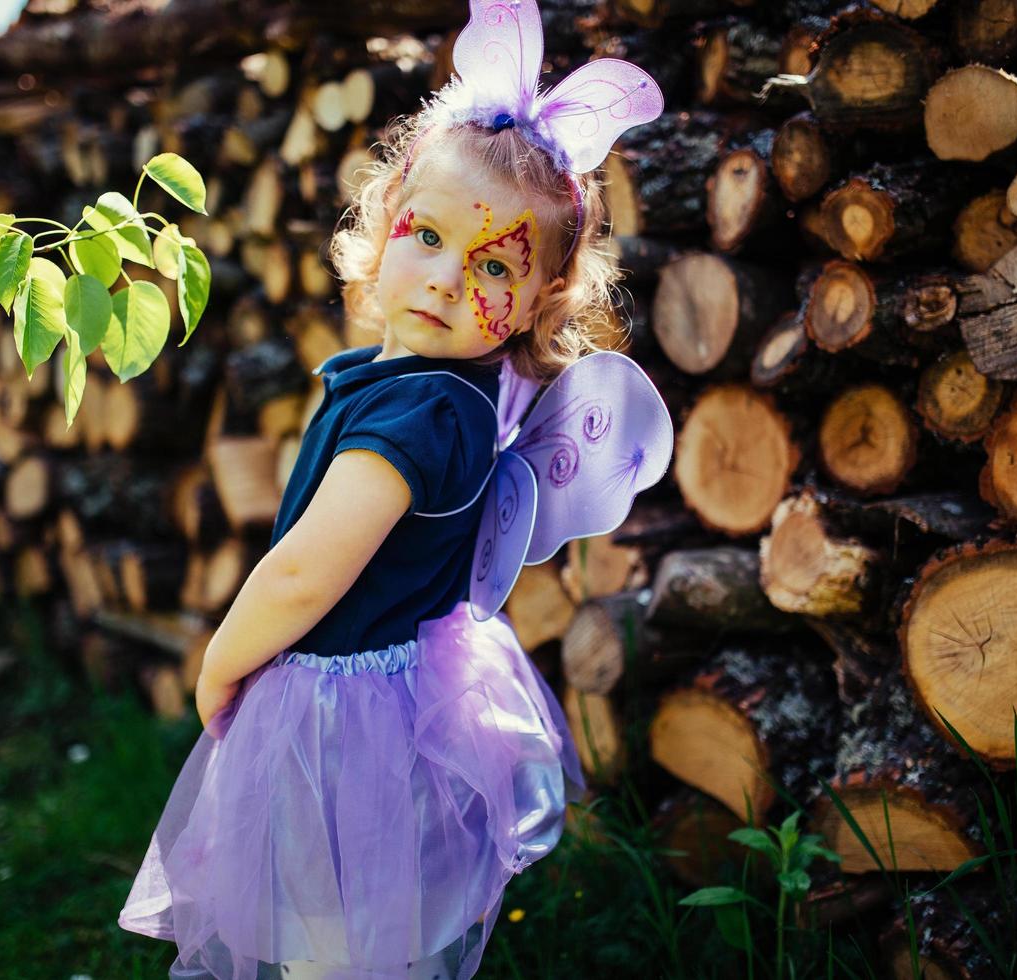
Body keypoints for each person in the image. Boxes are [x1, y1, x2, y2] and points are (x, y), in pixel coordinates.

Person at [118, 1, 667, 976]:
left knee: (330, 930)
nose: (446, 279)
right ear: (386, 221)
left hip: (340, 720)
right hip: (405, 694)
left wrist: (219, 665)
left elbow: (300, 574)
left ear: (542, 298)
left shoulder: (415, 417)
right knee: (374, 924)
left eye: (493, 263)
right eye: (426, 236)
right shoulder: (447, 387)